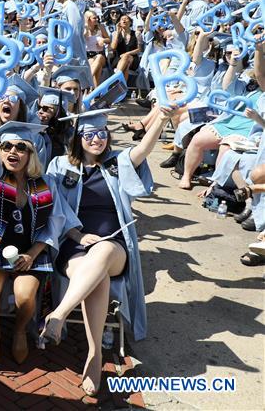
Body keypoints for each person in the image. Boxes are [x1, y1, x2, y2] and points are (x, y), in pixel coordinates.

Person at [42, 107, 174, 395]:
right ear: (78, 137)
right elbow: (55, 209)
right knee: (95, 275)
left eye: (102, 133)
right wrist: (77, 234)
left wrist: (161, 120)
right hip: (74, 245)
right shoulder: (59, 165)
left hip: (113, 246)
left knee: (100, 255)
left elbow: (143, 149)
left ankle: (59, 313)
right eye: (89, 134)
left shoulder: (117, 162)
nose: (97, 139)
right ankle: (94, 354)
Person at [0, 96, 74, 365]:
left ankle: (21, 331)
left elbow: (54, 223)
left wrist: (32, 255)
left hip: (30, 255)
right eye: (7, 147)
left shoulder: (44, 184)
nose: (13, 152)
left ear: (31, 153)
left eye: (20, 147)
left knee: (26, 298)